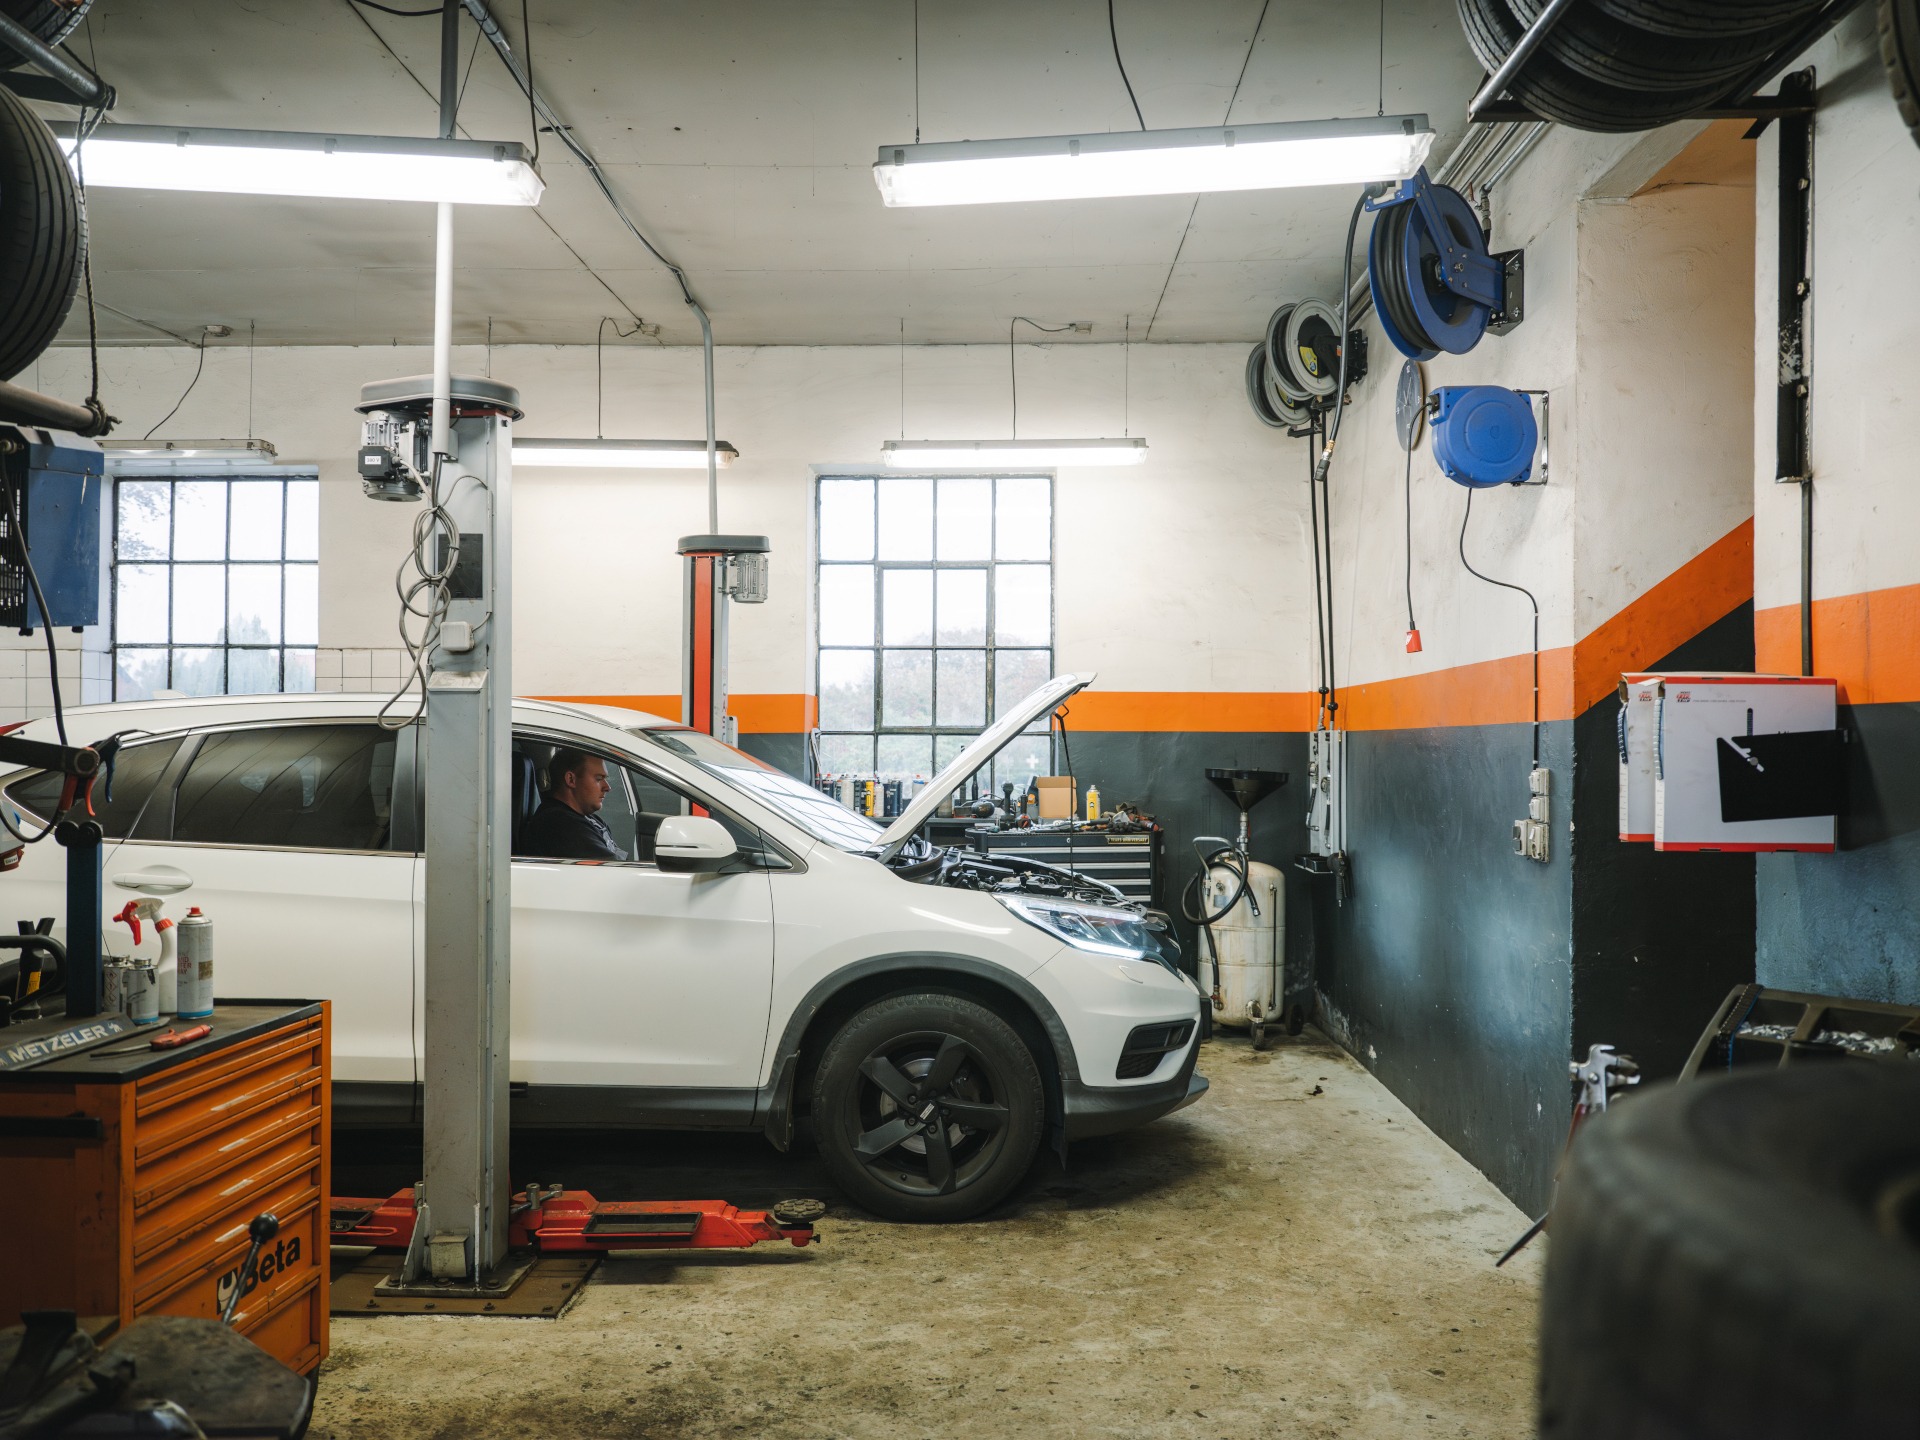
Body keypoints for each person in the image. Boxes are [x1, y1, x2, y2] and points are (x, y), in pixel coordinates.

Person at [519, 748, 626, 861]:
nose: (607, 787)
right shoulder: (559, 825)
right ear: (571, 779)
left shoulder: (587, 817)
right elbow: (613, 870)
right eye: (599, 779)